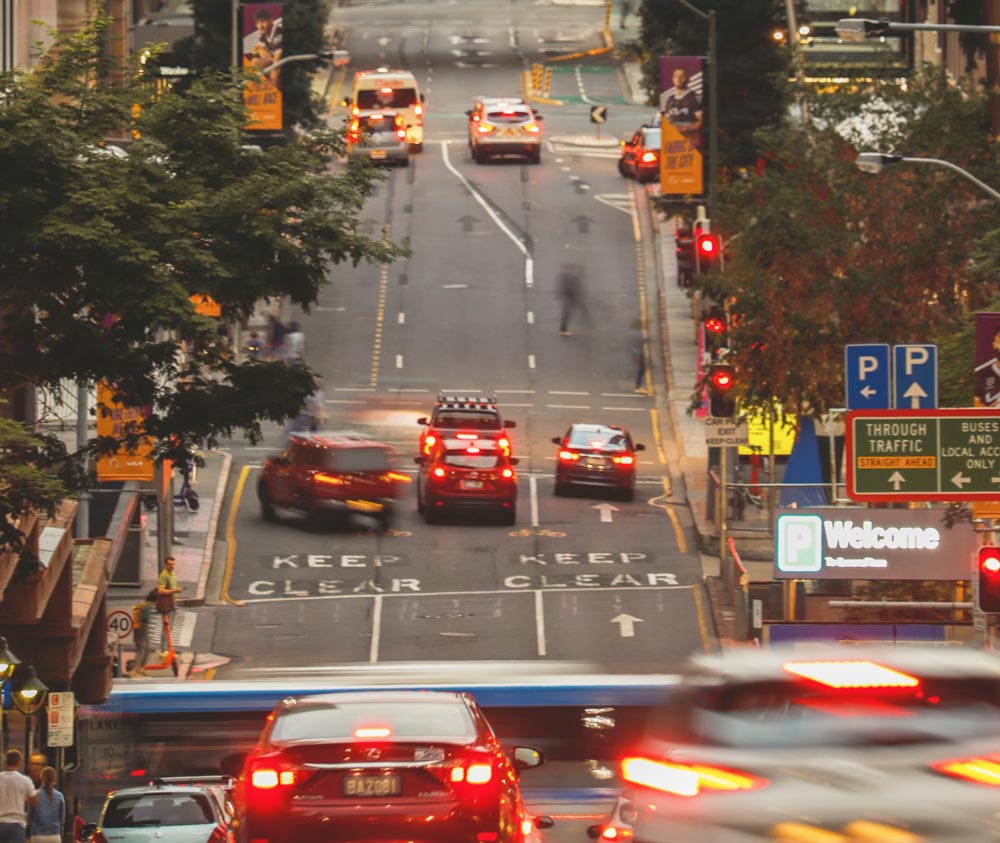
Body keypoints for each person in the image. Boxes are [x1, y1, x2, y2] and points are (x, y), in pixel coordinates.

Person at [0, 748, 38, 843]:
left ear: (5, 761)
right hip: (17, 823)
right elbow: (35, 801)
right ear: (19, 762)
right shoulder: (25, 780)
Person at [663, 67, 703, 149]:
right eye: (676, 76)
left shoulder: (694, 98)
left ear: (688, 79)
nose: (679, 79)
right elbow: (666, 122)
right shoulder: (670, 100)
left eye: (682, 76)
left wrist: (684, 128)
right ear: (672, 79)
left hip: (690, 144)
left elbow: (701, 122)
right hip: (672, 144)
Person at [27, 767, 63, 843]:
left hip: (38, 835)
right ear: (54, 779)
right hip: (55, 836)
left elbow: (30, 815)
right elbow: (62, 818)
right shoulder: (59, 796)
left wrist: (30, 831)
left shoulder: (35, 795)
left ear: (41, 777)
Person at [130, 589, 158, 677]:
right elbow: (144, 620)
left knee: (146, 648)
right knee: (141, 649)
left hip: (139, 628)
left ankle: (140, 668)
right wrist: (146, 632)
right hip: (141, 629)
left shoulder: (145, 604)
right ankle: (135, 669)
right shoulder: (148, 606)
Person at [557, 263, 590, 336]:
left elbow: (562, 286)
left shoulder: (565, 276)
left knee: (569, 311)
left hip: (570, 295)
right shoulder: (573, 277)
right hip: (571, 295)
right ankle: (563, 328)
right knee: (570, 311)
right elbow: (577, 286)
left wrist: (560, 294)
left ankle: (564, 328)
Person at [252, 7, 283, 84]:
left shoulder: (278, 32)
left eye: (263, 21)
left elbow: (278, 57)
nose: (260, 26)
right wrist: (260, 50)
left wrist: (273, 81)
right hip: (273, 63)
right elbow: (256, 52)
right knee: (255, 61)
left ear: (271, 20)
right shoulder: (263, 36)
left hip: (284, 66)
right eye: (257, 23)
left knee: (277, 57)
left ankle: (273, 85)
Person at [156, 556, 183, 628]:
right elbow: (161, 591)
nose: (172, 566)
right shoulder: (164, 575)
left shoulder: (172, 572)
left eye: (173, 564)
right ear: (166, 565)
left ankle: (168, 638)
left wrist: (177, 590)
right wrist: (175, 590)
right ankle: (165, 638)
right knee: (167, 625)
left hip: (172, 603)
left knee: (170, 625)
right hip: (166, 604)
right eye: (170, 564)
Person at [630, 321, 647, 394]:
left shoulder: (634, 334)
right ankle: (638, 387)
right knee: (641, 370)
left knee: (641, 370)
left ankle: (638, 387)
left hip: (637, 353)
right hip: (639, 354)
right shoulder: (638, 334)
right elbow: (643, 340)